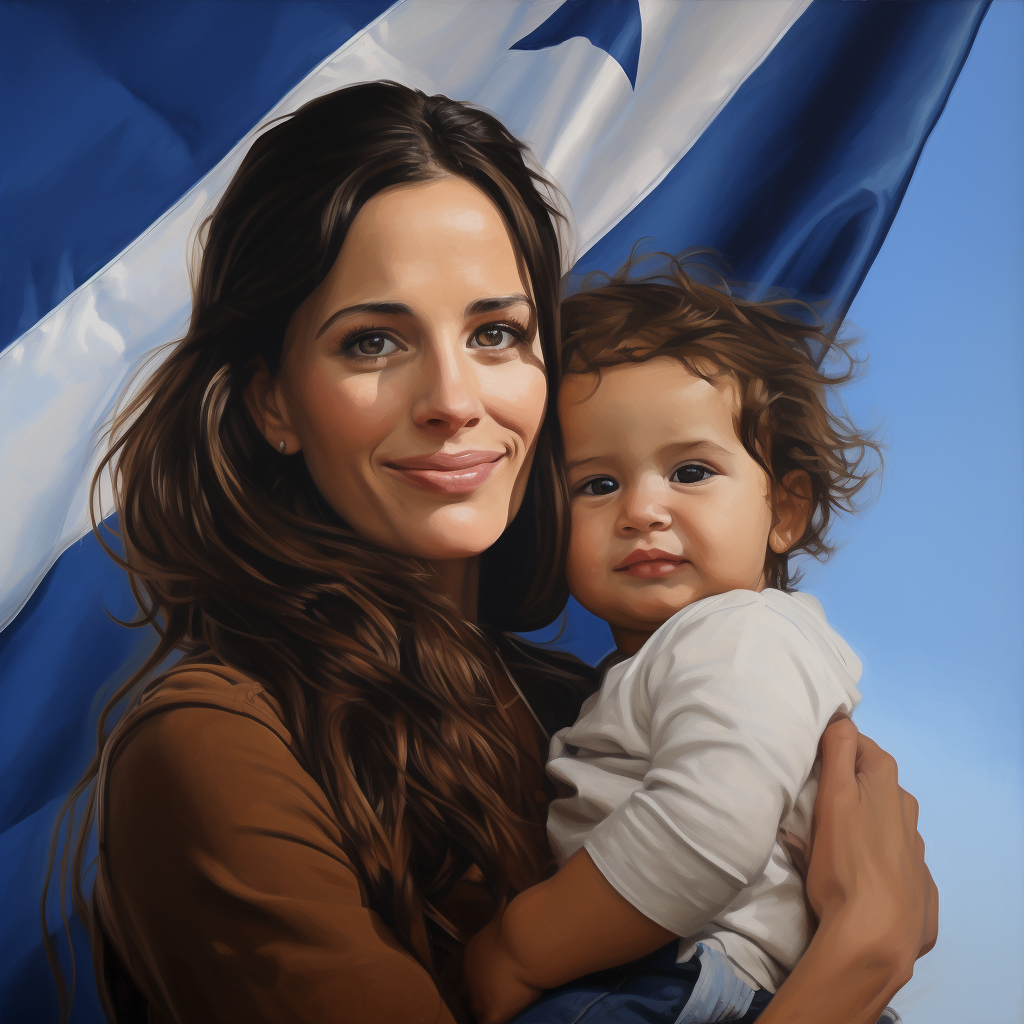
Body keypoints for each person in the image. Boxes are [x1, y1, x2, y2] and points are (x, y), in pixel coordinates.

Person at [47, 83, 936, 1024]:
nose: (452, 397)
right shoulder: (215, 743)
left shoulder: (580, 704)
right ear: (274, 404)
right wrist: (854, 964)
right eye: (374, 340)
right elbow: (850, 938)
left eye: (496, 333)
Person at [462, 262, 909, 1024]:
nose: (641, 509)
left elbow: (706, 831)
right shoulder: (669, 659)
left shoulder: (744, 635)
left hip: (687, 985)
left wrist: (517, 947)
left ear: (786, 509)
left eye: (691, 471)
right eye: (596, 484)